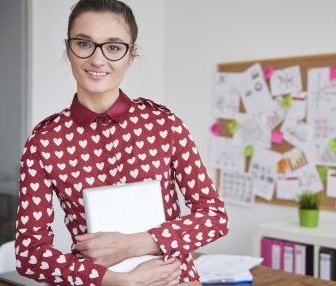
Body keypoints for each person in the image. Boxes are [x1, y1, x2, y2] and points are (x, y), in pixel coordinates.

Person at [15, 0, 229, 285]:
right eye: (84, 43)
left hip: (175, 281)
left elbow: (214, 217)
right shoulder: (44, 142)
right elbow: (30, 254)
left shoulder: (164, 124)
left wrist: (137, 243)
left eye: (113, 47)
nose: (97, 60)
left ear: (131, 55)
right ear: (68, 49)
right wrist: (114, 280)